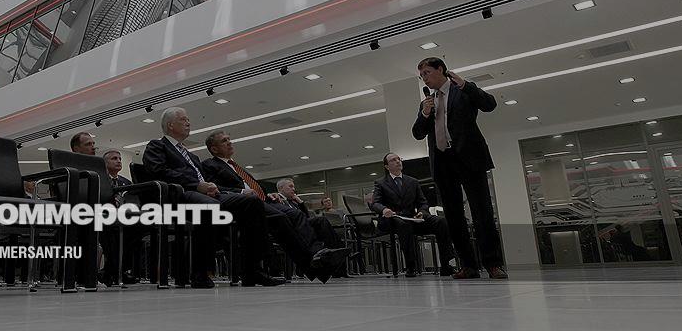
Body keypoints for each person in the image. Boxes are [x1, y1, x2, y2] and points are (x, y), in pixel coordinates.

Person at [142, 107, 284, 288]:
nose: (188, 122)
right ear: (170, 125)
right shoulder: (157, 146)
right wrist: (196, 184)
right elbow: (158, 171)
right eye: (183, 119)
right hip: (178, 195)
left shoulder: (192, 156)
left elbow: (205, 181)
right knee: (210, 206)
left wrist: (211, 187)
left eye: (188, 119)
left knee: (252, 202)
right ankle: (200, 273)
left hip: (205, 195)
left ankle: (252, 271)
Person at [200, 130, 348, 283]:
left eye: (229, 139)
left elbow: (254, 186)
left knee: (296, 214)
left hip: (264, 200)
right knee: (281, 218)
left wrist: (269, 194)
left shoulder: (236, 166)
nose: (229, 142)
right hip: (245, 204)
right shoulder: (209, 164)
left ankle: (317, 253)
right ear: (214, 149)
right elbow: (213, 188)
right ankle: (312, 265)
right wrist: (242, 192)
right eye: (224, 141)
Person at [412, 57, 507, 279]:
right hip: (442, 162)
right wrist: (425, 113)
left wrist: (466, 85)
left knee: (482, 212)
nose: (424, 78)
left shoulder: (462, 90)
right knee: (453, 217)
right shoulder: (427, 102)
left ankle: (492, 264)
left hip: (469, 158)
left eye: (427, 73)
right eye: (421, 75)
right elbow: (417, 133)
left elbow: (489, 104)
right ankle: (468, 266)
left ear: (440, 69)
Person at [370, 152, 455, 277]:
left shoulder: (413, 181)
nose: (398, 161)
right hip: (392, 219)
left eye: (399, 159)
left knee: (441, 222)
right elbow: (375, 203)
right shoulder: (380, 183)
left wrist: (421, 212)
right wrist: (384, 210)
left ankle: (446, 264)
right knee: (403, 225)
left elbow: (423, 203)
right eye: (393, 160)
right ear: (387, 166)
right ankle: (411, 266)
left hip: (412, 218)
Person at [100, 148, 141, 286]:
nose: (118, 161)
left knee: (136, 229)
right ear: (104, 163)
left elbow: (133, 201)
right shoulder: (99, 179)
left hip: (123, 217)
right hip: (104, 216)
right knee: (111, 233)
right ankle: (113, 271)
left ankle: (117, 270)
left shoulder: (126, 182)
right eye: (114, 159)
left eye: (119, 159)